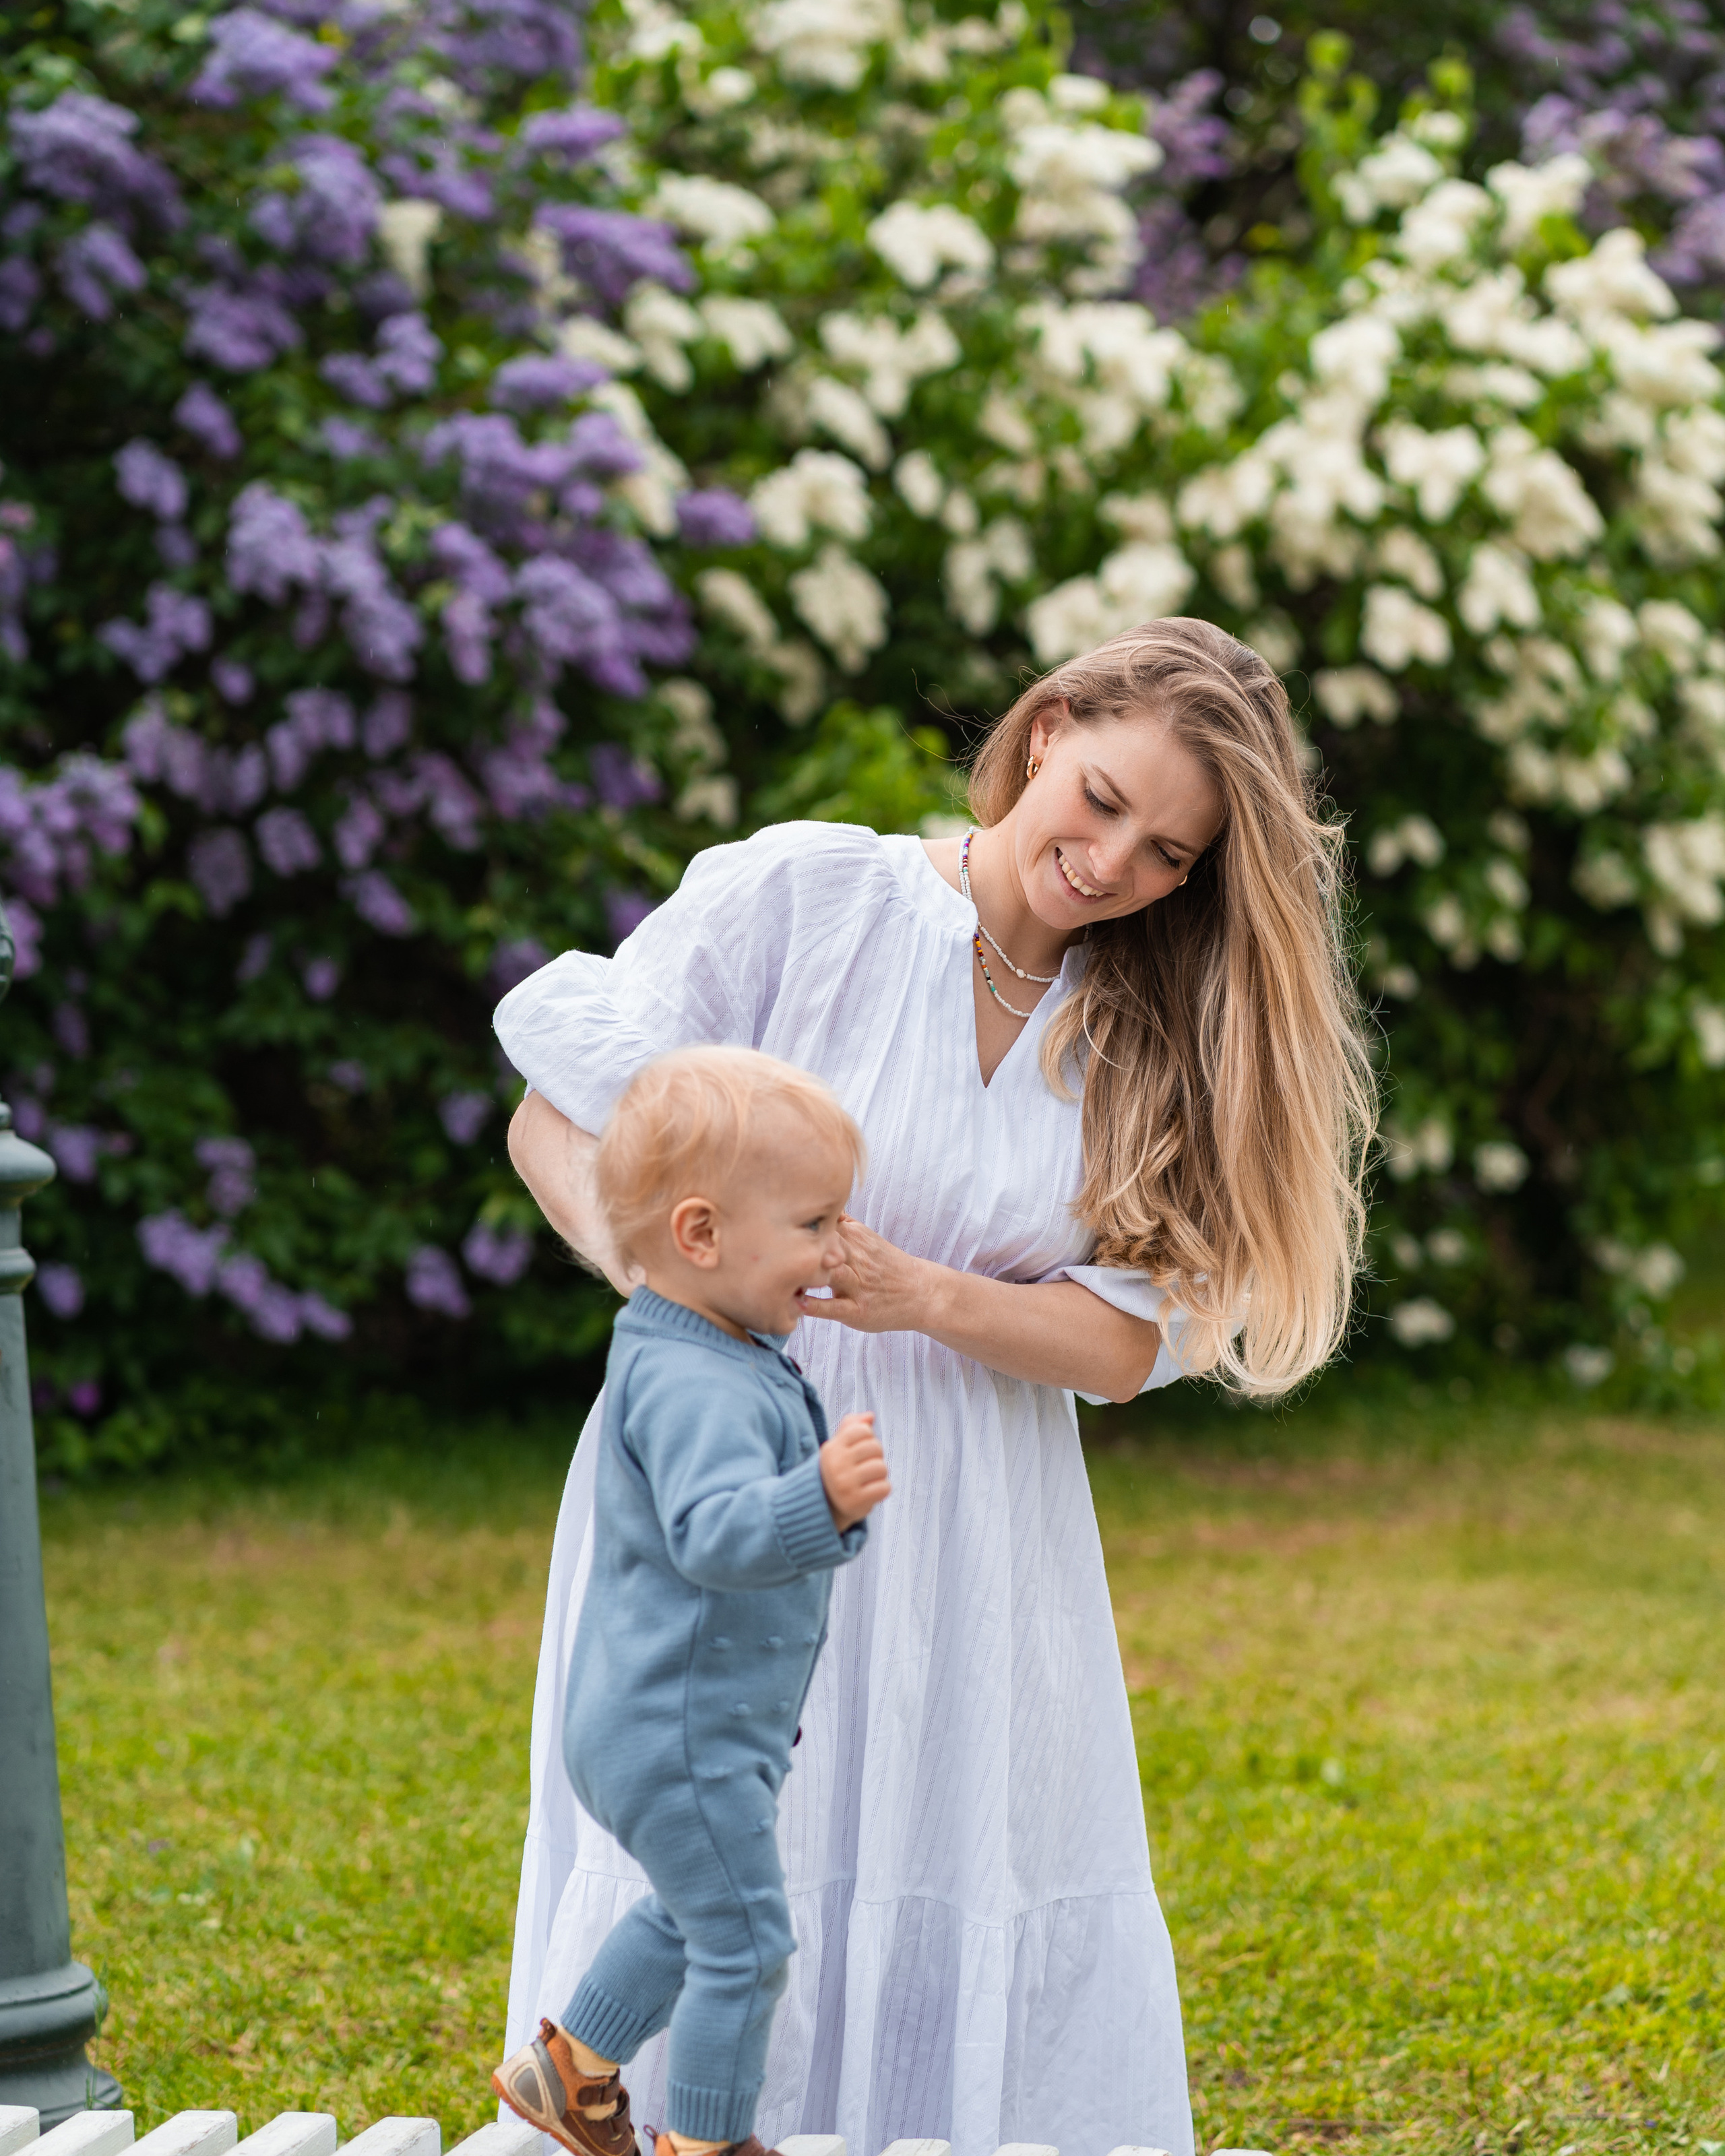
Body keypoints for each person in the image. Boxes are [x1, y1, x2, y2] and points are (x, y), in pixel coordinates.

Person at [495, 617, 1377, 2156]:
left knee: (945, 1852)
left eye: (1167, 854)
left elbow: (1122, 1345)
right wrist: (673, 1306)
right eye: (1101, 800)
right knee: (715, 1840)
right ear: (1045, 733)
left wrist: (923, 1298)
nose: (1111, 863)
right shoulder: (811, 897)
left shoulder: (1149, 1026)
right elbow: (558, 1115)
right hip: (718, 1468)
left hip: (972, 1513)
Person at [491, 1045, 889, 2156]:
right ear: (701, 1235)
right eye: (813, 1223)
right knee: (746, 1945)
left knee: (694, 1909)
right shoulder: (692, 1380)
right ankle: (705, 2144)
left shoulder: (709, 1342)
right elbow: (711, 1534)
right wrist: (817, 1498)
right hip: (677, 1730)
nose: (837, 1246)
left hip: (682, 1722)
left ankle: (568, 2067)